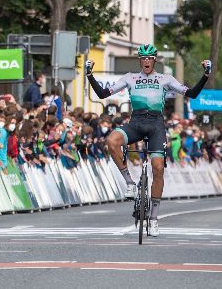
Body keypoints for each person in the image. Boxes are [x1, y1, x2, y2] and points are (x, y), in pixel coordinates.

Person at [85, 44, 210, 237]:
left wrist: (206, 75)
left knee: (158, 167)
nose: (146, 61)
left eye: (150, 58)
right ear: (139, 60)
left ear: (154, 60)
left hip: (156, 125)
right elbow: (103, 94)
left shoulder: (165, 79)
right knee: (111, 141)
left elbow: (191, 93)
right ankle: (129, 182)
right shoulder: (130, 78)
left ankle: (153, 218)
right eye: (143, 58)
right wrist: (90, 75)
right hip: (136, 122)